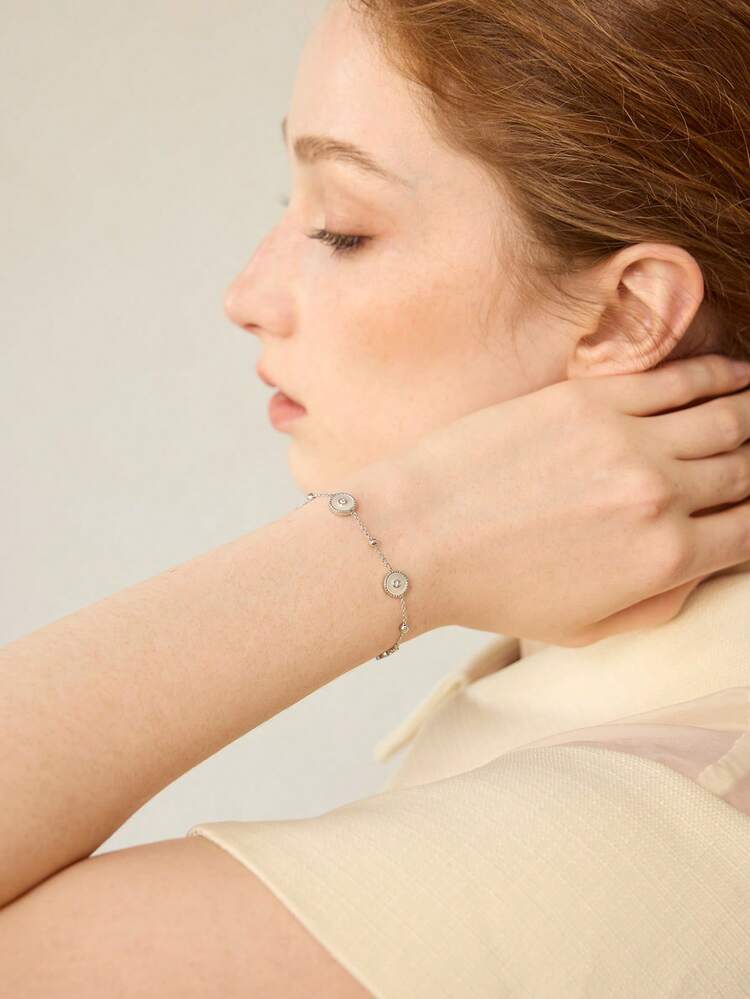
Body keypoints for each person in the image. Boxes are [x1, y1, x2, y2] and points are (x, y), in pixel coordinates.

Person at [1, 0, 750, 995]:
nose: (247, 293)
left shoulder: (629, 840)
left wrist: (398, 541)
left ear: (626, 314)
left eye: (342, 229)